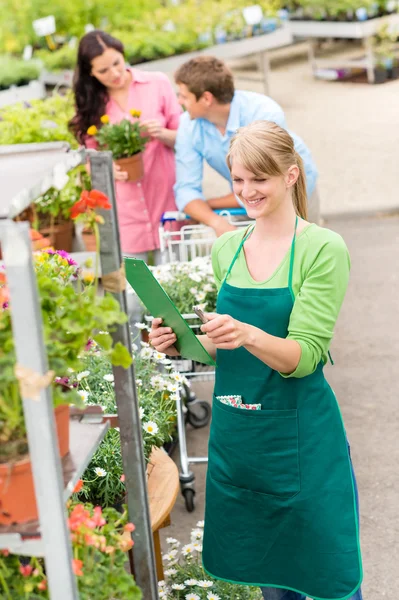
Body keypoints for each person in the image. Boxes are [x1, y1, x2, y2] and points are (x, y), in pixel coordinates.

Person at [149, 121, 363, 600]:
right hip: (243, 436)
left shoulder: (322, 248)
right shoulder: (228, 247)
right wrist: (180, 341)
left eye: (258, 179)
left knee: (328, 576)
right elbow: (221, 348)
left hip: (302, 439)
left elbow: (305, 355)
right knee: (271, 576)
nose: (246, 191)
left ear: (290, 176)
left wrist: (248, 333)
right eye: (238, 180)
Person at [69, 30, 182, 332]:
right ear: (90, 73)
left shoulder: (156, 83)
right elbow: (89, 159)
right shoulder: (92, 104)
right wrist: (107, 171)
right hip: (125, 209)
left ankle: (175, 370)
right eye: (103, 70)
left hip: (165, 201)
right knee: (131, 301)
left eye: (117, 63)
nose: (115, 74)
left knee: (171, 293)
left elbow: (185, 138)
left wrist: (162, 132)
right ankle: (138, 372)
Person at [173, 56, 320, 236]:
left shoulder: (263, 112)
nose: (179, 101)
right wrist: (217, 222)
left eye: (184, 96)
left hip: (292, 192)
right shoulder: (189, 125)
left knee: (303, 252)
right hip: (250, 197)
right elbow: (186, 189)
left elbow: (267, 182)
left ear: (206, 98)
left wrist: (210, 204)